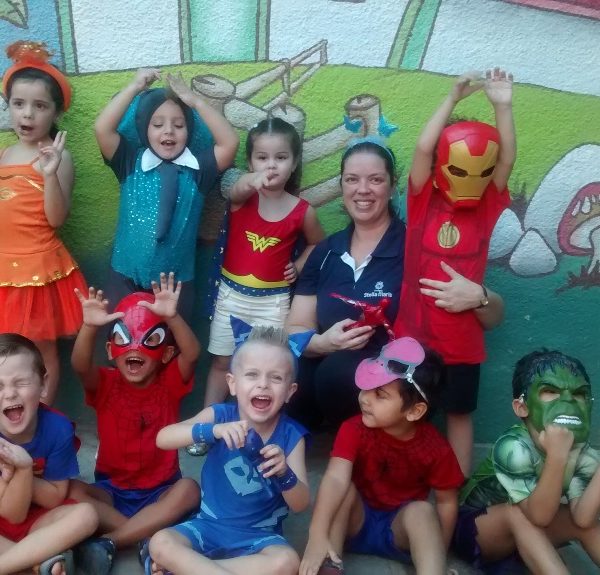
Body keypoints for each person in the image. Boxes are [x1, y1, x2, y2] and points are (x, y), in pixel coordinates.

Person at [286, 137, 502, 429]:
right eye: (352, 179)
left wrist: (481, 296)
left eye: (375, 179)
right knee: (286, 373)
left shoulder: (418, 247)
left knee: (337, 373)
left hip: (398, 375)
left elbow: (493, 318)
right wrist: (323, 343)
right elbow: (296, 327)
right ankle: (297, 443)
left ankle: (368, 450)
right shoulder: (326, 251)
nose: (363, 189)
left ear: (392, 186)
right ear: (342, 186)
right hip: (329, 365)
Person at [393, 68, 514, 474]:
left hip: (462, 339)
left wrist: (502, 106)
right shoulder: (422, 202)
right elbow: (422, 149)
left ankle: (457, 488)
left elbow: (505, 160)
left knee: (459, 414)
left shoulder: (485, 208)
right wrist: (451, 99)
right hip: (415, 335)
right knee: (410, 411)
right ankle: (408, 482)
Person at [146, 322, 310, 575]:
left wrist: (284, 473)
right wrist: (212, 431)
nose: (263, 384)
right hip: (207, 527)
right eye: (252, 374)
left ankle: (184, 568)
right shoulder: (220, 416)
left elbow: (301, 504)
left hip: (259, 538)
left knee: (287, 562)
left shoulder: (291, 436)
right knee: (160, 542)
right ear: (232, 384)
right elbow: (163, 438)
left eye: (276, 377)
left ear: (290, 391)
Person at [67, 273, 201, 571]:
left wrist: (173, 317)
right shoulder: (105, 384)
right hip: (111, 491)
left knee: (190, 489)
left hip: (161, 490)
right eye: (123, 338)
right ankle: (145, 535)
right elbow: (80, 366)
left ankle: (111, 541)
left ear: (166, 353)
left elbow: (192, 354)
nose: (135, 348)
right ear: (110, 350)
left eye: (150, 340)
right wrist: (89, 327)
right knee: (69, 491)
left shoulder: (170, 383)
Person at [300, 337, 464, 575]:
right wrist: (317, 535)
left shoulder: (436, 448)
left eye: (380, 394)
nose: (365, 398)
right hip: (355, 522)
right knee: (343, 490)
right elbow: (335, 478)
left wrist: (441, 552)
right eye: (366, 387)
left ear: (414, 411)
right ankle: (328, 560)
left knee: (422, 511)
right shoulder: (353, 428)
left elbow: (446, 503)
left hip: (399, 532)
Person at [95, 67, 238, 323]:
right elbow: (102, 129)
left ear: (189, 130)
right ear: (144, 129)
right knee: (122, 339)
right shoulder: (129, 162)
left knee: (173, 343)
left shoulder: (199, 170)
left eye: (179, 125)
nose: (169, 131)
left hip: (177, 286)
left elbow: (230, 143)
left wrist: (195, 102)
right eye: (158, 124)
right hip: (124, 278)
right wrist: (134, 87)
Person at [204, 117, 324, 407]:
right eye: (262, 158)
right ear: (250, 162)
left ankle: (260, 423)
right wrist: (252, 180)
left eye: (280, 158)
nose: (271, 165)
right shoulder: (241, 199)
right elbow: (237, 188)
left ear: (294, 163)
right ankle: (207, 420)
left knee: (269, 366)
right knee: (222, 362)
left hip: (273, 303)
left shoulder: (302, 211)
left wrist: (298, 265)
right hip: (231, 296)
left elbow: (318, 243)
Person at [453, 350, 600, 573]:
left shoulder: (582, 452)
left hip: (531, 532)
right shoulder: (513, 446)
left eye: (579, 393)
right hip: (478, 533)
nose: (568, 400)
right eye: (550, 391)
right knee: (517, 513)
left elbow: (583, 519)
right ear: (522, 407)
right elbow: (538, 516)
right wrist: (557, 456)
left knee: (584, 525)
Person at [0, 40, 88, 404]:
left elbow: (56, 218)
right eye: (18, 104)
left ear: (55, 112)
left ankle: (42, 419)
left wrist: (50, 173)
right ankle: (12, 415)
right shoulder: (5, 153)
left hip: (36, 272)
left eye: (40, 106)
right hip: (4, 270)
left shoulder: (57, 157)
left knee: (39, 350)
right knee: (7, 353)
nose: (28, 114)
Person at [0, 333, 98, 575]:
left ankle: (27, 562)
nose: (9, 394)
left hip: (38, 521)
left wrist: (23, 469)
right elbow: (12, 515)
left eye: (20, 383)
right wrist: (22, 471)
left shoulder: (58, 428)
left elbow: (55, 498)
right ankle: (37, 561)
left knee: (86, 515)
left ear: (43, 385)